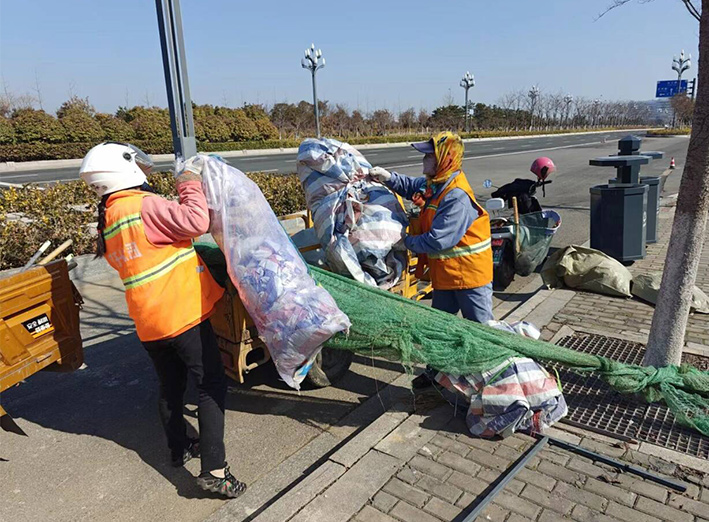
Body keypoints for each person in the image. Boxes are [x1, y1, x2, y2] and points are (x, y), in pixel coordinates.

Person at [79, 143, 246, 498]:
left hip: (149, 322)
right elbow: (197, 222)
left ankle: (179, 447)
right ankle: (215, 472)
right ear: (123, 171)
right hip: (181, 314)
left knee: (171, 385)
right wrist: (188, 183)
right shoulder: (143, 205)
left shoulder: (109, 216)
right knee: (211, 385)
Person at [370, 131, 494, 388]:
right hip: (446, 275)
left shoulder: (456, 196)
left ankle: (490, 381)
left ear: (444, 159)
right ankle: (436, 374)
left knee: (481, 331)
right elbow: (412, 186)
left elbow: (439, 240)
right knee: (438, 329)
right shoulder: (436, 184)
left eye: (429, 156)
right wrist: (388, 178)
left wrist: (405, 241)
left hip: (471, 278)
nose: (424, 159)